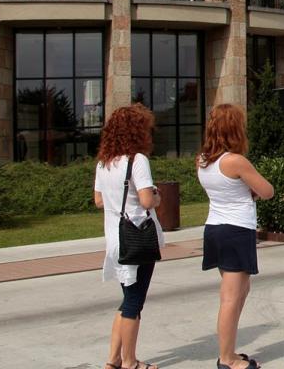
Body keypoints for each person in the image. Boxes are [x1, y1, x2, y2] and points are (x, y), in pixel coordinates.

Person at [196, 104, 275, 369]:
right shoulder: (235, 160)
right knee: (231, 297)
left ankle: (228, 350)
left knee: (241, 289)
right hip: (236, 230)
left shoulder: (203, 160)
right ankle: (226, 358)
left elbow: (228, 190)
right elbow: (267, 191)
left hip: (215, 228)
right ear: (235, 129)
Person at [94, 104, 164, 369]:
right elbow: (147, 199)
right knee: (134, 302)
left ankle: (112, 360)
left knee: (127, 299)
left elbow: (98, 200)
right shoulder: (138, 160)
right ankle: (130, 362)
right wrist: (157, 195)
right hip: (137, 239)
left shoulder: (104, 162)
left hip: (115, 238)